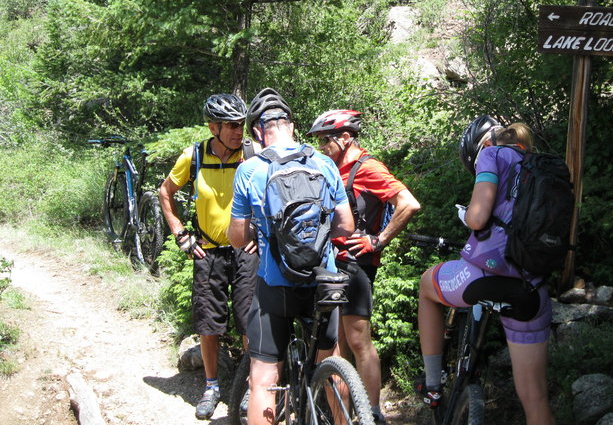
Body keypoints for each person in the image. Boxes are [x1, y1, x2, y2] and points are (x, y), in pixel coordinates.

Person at [227, 88, 355, 425]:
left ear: (257, 132)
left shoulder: (250, 170)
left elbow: (237, 237)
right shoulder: (325, 163)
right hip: (324, 283)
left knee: (265, 378)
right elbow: (346, 225)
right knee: (333, 365)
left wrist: (263, 232)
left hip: (276, 287)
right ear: (292, 125)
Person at [417, 116, 555, 425]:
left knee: (427, 286)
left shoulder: (492, 155)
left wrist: (467, 216)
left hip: (484, 277)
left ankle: (432, 384)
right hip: (532, 288)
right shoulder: (537, 164)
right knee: (535, 398)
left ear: (482, 146)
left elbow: (479, 218)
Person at [308, 109, 421, 424]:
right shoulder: (335, 166)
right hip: (335, 263)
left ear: (345, 138)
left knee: (358, 341)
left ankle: (372, 414)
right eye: (318, 141)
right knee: (338, 347)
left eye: (324, 140)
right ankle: (342, 414)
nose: (321, 147)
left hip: (356, 265)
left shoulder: (368, 167)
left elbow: (408, 203)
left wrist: (379, 240)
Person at [159, 93, 259, 420]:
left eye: (240, 124)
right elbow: (165, 192)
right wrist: (180, 234)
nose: (237, 131)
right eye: (231, 125)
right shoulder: (195, 156)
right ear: (213, 127)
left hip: (246, 250)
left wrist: (263, 235)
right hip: (208, 250)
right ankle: (212, 385)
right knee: (208, 323)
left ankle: (250, 387)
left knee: (249, 320)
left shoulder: (252, 153)